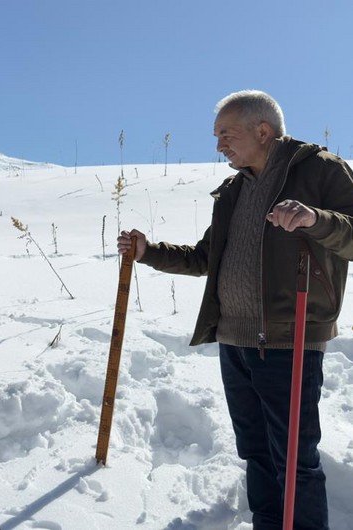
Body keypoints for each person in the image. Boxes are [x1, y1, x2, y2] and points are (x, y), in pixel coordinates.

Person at [118, 90, 353, 529]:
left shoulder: (321, 171)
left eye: (226, 134)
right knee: (256, 452)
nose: (219, 145)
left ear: (263, 131)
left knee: (295, 460)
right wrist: (150, 251)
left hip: (290, 337)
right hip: (235, 341)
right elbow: (208, 256)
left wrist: (314, 219)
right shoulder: (233, 189)